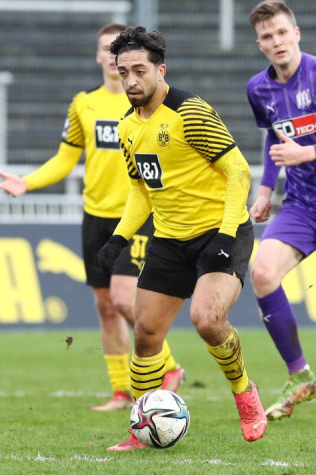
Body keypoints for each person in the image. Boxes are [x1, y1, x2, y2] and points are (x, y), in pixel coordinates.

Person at [0, 24, 184, 412]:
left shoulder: (149, 101)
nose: (115, 61)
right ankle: (121, 390)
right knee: (105, 305)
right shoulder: (84, 104)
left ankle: (168, 367)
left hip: (138, 214)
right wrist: (28, 182)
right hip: (95, 215)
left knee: (123, 298)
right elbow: (66, 159)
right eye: (107, 51)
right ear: (102, 57)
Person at [97, 25, 266, 450]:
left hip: (221, 232)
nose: (131, 81)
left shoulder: (190, 112)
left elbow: (238, 170)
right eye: (123, 72)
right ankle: (141, 429)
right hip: (170, 239)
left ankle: (245, 393)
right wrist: (119, 238)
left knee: (206, 320)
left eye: (139, 71)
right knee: (146, 334)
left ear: (161, 70)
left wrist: (225, 235)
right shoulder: (126, 127)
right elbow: (142, 189)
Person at [247, 0, 316, 420]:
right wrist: (266, 189)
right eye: (267, 36)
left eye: (282, 32)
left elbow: (299, 148)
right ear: (260, 44)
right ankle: (300, 376)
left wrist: (308, 154)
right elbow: (274, 136)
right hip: (303, 205)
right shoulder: (258, 89)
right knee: (263, 273)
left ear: (296, 33)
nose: (277, 41)